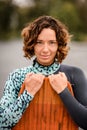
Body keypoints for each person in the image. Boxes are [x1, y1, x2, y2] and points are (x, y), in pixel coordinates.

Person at [0, 15, 87, 130]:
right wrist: (28, 93)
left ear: (58, 45)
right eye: (39, 42)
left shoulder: (74, 75)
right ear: (32, 44)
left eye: (51, 42)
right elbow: (2, 122)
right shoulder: (17, 76)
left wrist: (63, 91)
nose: (45, 49)